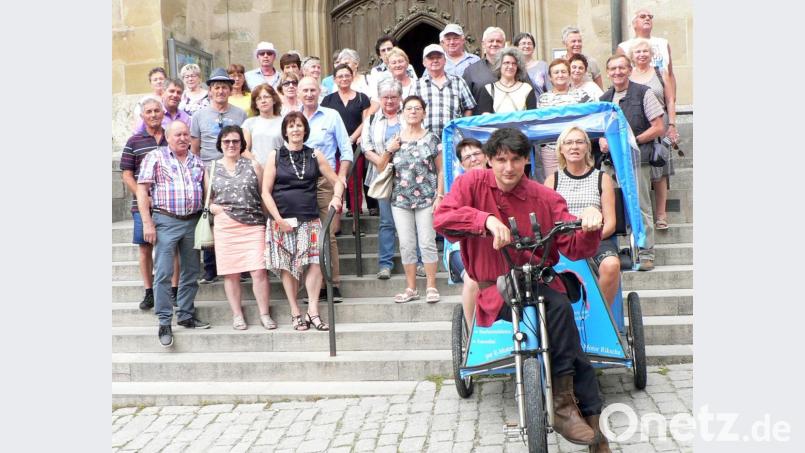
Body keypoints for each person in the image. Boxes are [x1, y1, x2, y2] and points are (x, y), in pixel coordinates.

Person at [433, 127, 609, 450]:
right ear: (488, 160)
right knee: (558, 314)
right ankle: (568, 409)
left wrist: (589, 221)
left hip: (539, 280)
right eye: (501, 160)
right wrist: (484, 221)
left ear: (527, 161)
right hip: (495, 288)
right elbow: (442, 218)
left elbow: (572, 244)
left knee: (567, 335)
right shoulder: (471, 184)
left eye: (516, 159)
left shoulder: (544, 196)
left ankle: (588, 423)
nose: (508, 168)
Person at [262, 111, 346, 331]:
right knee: (288, 267)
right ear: (285, 131)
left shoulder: (314, 155)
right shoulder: (275, 155)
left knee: (317, 263)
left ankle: (313, 311)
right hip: (282, 220)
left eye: (299, 125)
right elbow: (265, 192)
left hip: (310, 218)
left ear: (305, 129)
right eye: (291, 126)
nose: (295, 129)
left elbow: (337, 181)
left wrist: (336, 197)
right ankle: (295, 312)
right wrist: (277, 219)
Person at [136, 121, 211, 348]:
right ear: (167, 137)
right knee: (164, 273)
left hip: (192, 221)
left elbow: (207, 192)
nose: (182, 138)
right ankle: (165, 321)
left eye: (186, 134)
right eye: (177, 134)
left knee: (191, 271)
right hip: (165, 221)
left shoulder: (197, 162)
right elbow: (142, 189)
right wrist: (147, 223)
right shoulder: (156, 157)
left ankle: (186, 314)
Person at [599, 54, 665, 272]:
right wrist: (602, 141)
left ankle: (646, 253)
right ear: (608, 72)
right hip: (611, 163)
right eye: (613, 69)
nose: (617, 72)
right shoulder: (604, 98)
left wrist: (632, 142)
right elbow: (600, 130)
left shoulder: (643, 92)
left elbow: (658, 127)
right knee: (611, 206)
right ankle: (614, 253)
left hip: (637, 159)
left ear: (629, 70)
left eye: (621, 68)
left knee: (640, 206)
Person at [208, 125, 276, 330]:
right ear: (220, 144)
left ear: (242, 144)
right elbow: (207, 200)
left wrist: (269, 221)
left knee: (258, 271)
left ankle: (264, 313)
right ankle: (237, 314)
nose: (231, 145)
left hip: (253, 224)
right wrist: (214, 209)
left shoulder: (254, 165)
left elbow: (264, 195)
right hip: (225, 226)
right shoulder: (211, 168)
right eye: (226, 141)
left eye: (235, 141)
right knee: (231, 273)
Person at [544, 126, 620, 307]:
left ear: (587, 147)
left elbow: (610, 222)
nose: (574, 147)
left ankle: (600, 314)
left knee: (611, 265)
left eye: (579, 142)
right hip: (562, 240)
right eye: (568, 142)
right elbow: (545, 219)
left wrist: (588, 238)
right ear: (561, 149)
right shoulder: (551, 180)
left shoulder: (602, 178)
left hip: (595, 237)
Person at [377, 95, 443, 304]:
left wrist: (440, 195)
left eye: (417, 108)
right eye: (409, 108)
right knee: (406, 244)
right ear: (403, 112)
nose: (413, 112)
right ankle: (411, 287)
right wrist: (389, 149)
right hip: (400, 199)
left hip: (427, 197)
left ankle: (431, 286)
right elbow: (381, 167)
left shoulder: (432, 138)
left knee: (427, 242)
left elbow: (441, 170)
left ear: (424, 112)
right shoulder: (396, 138)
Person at [121, 98, 180, 310]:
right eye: (149, 111)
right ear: (142, 115)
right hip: (141, 206)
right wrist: (142, 194)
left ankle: (173, 291)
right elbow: (127, 175)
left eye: (157, 111)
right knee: (145, 248)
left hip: (170, 205)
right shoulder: (134, 141)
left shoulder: (172, 137)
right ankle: (149, 292)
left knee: (172, 248)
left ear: (163, 113)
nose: (153, 114)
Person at [190, 68, 248, 283]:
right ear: (210, 91)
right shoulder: (199, 115)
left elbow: (244, 143)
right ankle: (211, 267)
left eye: (224, 87)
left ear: (230, 90)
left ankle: (240, 266)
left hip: (234, 170)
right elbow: (194, 149)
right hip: (209, 171)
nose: (220, 91)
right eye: (216, 87)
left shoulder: (239, 114)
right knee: (210, 217)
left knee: (236, 214)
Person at [299, 76, 353, 301]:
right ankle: (309, 287)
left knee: (326, 234)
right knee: (302, 235)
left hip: (324, 180)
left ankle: (332, 283)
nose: (309, 94)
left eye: (313, 90)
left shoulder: (331, 116)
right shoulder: (292, 117)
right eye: (305, 91)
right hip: (299, 182)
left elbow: (346, 150)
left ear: (319, 92)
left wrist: (340, 177)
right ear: (299, 93)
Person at [628, 39, 678, 231]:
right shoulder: (628, 75)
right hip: (638, 126)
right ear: (632, 56)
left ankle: (661, 214)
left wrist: (672, 124)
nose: (641, 54)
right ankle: (642, 215)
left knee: (659, 170)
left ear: (651, 54)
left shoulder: (660, 73)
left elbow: (670, 100)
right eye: (638, 52)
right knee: (640, 171)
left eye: (645, 51)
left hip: (660, 124)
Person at [361, 78, 404, 279]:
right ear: (379, 98)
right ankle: (385, 264)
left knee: (410, 220)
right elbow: (366, 146)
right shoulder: (371, 119)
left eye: (393, 97)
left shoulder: (409, 115)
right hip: (383, 175)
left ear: (400, 98)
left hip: (409, 175)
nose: (389, 101)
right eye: (385, 97)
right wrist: (383, 160)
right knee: (386, 221)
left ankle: (419, 261)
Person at [320, 63, 372, 218]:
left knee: (354, 182)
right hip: (332, 147)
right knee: (334, 180)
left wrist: (352, 138)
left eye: (347, 75)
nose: (344, 78)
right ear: (334, 80)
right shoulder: (328, 100)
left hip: (354, 145)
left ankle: (356, 215)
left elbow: (366, 121)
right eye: (340, 76)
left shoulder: (362, 97)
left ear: (352, 77)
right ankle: (335, 216)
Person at [446, 137, 487, 327]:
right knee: (472, 279)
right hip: (463, 249)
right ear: (462, 164)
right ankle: (472, 334)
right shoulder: (460, 185)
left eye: (476, 154)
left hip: (494, 246)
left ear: (486, 156)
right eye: (467, 157)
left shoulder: (502, 178)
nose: (473, 159)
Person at [536, 59, 591, 180]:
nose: (560, 75)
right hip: (551, 150)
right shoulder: (543, 98)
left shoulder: (582, 95)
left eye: (563, 71)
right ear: (550, 77)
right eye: (556, 72)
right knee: (553, 184)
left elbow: (591, 119)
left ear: (569, 74)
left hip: (576, 148)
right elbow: (540, 124)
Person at [412, 44, 476, 141]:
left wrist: (461, 129)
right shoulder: (417, 85)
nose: (435, 60)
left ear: (445, 60)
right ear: (424, 62)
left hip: (454, 139)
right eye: (430, 58)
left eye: (438, 57)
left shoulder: (458, 81)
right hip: (425, 140)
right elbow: (411, 112)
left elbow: (469, 107)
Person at [617, 8, 677, 103]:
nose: (647, 18)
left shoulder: (663, 43)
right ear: (634, 24)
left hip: (661, 98)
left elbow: (670, 74)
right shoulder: (624, 47)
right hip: (637, 99)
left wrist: (672, 98)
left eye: (650, 17)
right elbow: (620, 75)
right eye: (642, 16)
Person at [475, 47, 537, 114]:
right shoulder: (488, 89)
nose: (510, 66)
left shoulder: (527, 89)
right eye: (506, 63)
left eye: (514, 63)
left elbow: (532, 116)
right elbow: (485, 117)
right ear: (499, 65)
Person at [463, 26, 506, 115]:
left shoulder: (515, 68)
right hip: (480, 125)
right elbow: (465, 105)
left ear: (504, 44)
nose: (494, 44)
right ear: (483, 44)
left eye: (498, 41)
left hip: (510, 125)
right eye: (491, 41)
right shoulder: (471, 71)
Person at [242, 84, 284, 166]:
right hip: (255, 170)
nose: (263, 101)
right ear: (256, 104)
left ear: (274, 100)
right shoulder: (249, 123)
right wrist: (256, 165)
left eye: (266, 97)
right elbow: (244, 150)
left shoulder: (283, 122)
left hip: (278, 170)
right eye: (259, 98)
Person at [512, 32, 550, 96]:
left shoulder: (543, 66)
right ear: (516, 47)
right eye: (523, 43)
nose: (526, 46)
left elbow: (550, 89)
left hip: (539, 104)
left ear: (534, 47)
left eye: (529, 44)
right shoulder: (512, 67)